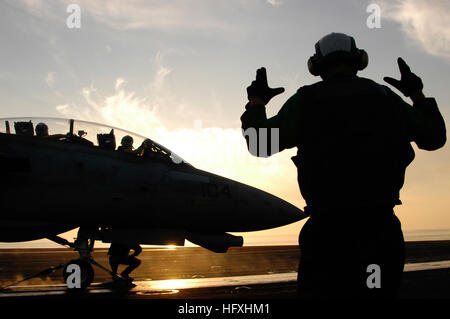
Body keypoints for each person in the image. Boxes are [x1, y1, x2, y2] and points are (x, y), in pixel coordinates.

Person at [240, 32, 446, 298]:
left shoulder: (306, 101)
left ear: (316, 66)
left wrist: (257, 102)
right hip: (380, 231)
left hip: (328, 234)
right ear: (359, 61)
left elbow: (260, 144)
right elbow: (434, 138)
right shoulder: (386, 99)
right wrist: (417, 95)